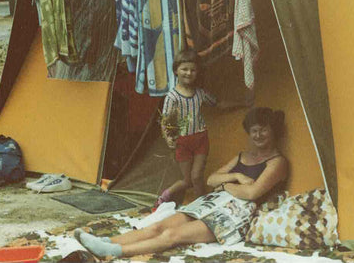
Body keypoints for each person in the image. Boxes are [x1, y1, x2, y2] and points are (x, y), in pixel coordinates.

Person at [74, 107, 288, 259]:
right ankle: (108, 242)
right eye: (254, 130)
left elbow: (252, 194)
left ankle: (115, 252)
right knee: (157, 226)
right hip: (214, 201)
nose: (258, 135)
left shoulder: (277, 162)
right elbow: (212, 179)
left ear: (273, 130)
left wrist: (224, 186)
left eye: (263, 129)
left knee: (172, 235)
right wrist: (236, 178)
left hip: (235, 214)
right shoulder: (243, 156)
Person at [156, 49, 251, 208]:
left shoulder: (200, 93)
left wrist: (241, 103)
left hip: (200, 139)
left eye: (193, 70)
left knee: (197, 176)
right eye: (184, 69)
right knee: (188, 180)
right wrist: (169, 140)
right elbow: (165, 121)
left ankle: (203, 206)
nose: (188, 73)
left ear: (197, 72)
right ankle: (166, 194)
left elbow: (219, 104)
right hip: (182, 142)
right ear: (176, 71)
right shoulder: (172, 97)